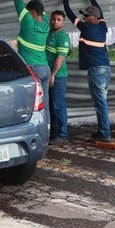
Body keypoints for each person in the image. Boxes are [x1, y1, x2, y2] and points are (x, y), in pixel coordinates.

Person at [63, 0, 112, 142]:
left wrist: (65, 2)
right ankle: (102, 131)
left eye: (86, 15)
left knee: (100, 103)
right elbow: (100, 12)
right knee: (101, 102)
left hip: (96, 71)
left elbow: (71, 16)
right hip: (105, 68)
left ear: (93, 18)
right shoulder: (103, 27)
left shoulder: (86, 28)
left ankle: (105, 134)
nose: (84, 17)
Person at [8, 0, 51, 129]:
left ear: (32, 12)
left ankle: (31, 130)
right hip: (45, 69)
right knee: (44, 103)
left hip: (33, 69)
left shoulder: (27, 22)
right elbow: (38, 3)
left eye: (28, 10)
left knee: (29, 103)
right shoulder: (45, 23)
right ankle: (46, 130)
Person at [46, 10, 72, 142]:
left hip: (58, 76)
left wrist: (53, 74)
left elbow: (60, 57)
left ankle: (63, 134)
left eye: (59, 19)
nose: (55, 22)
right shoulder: (49, 33)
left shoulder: (62, 37)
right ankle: (54, 133)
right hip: (49, 75)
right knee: (50, 105)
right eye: (53, 19)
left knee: (58, 105)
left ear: (63, 22)